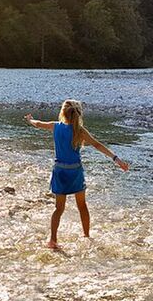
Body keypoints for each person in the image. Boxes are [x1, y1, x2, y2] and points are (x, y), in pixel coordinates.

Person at [24, 99, 129, 249]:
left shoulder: (55, 126)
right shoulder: (79, 131)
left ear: (63, 112)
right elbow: (97, 144)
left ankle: (52, 240)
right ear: (78, 114)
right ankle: (86, 236)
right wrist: (116, 159)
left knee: (58, 209)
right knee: (82, 206)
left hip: (60, 171)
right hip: (75, 172)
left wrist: (30, 119)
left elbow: (38, 123)